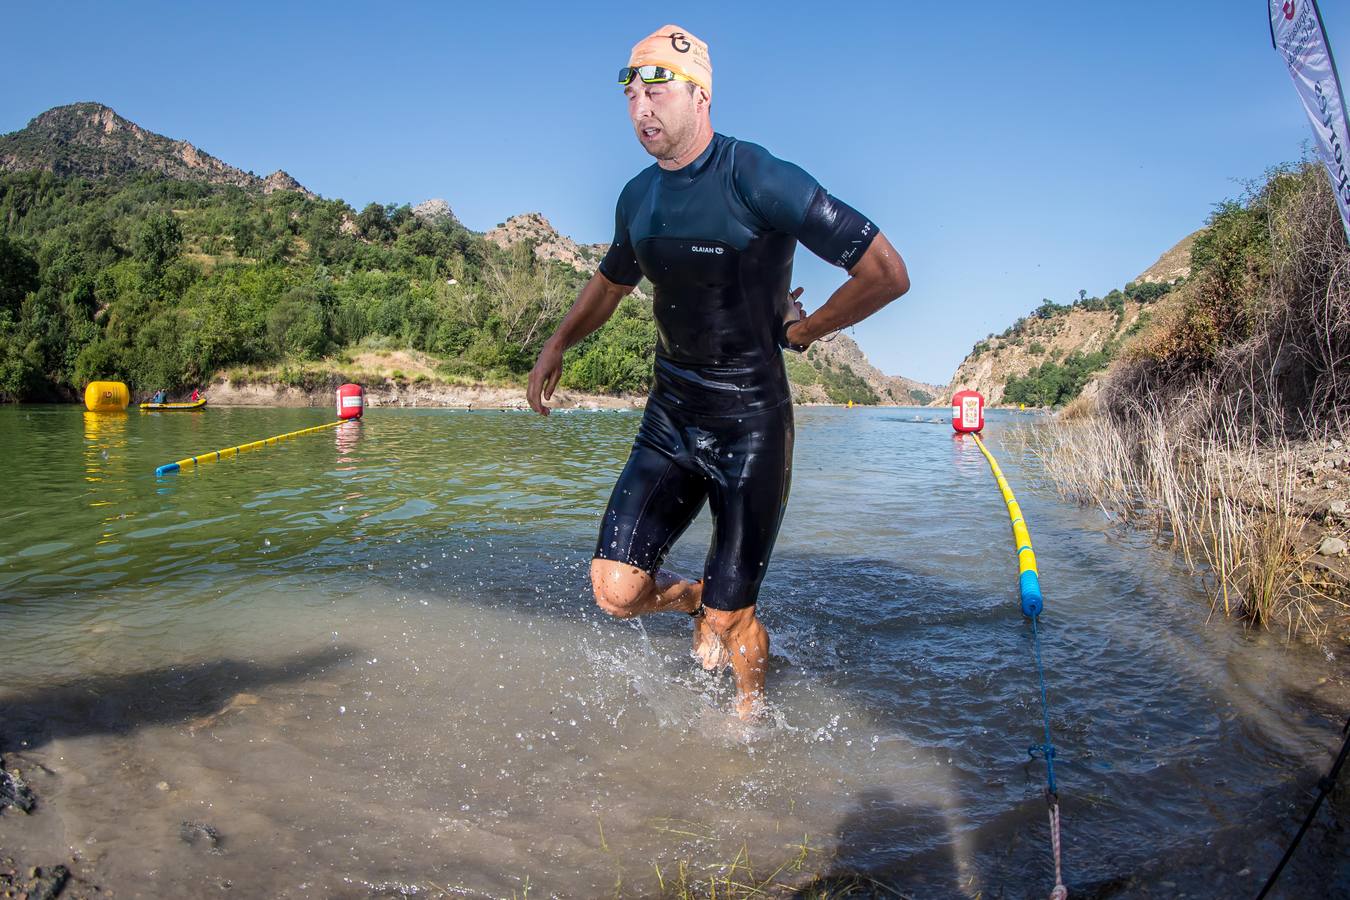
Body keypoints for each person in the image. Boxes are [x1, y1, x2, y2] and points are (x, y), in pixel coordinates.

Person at [527, 25, 909, 719]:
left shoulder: (757, 177)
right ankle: (697, 600)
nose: (642, 107)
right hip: (671, 416)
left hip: (751, 423)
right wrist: (557, 343)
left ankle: (749, 718)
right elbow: (610, 284)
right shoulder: (637, 198)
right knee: (616, 591)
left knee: (735, 621)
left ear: (700, 95)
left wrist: (802, 331)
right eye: (630, 93)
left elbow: (885, 272)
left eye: (658, 90)